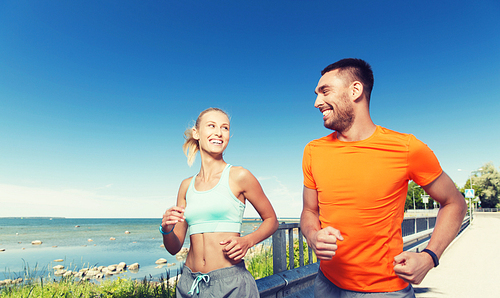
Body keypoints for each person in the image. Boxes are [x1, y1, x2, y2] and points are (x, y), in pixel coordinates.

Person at [300, 58, 467, 297]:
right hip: (326, 285)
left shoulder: (408, 148)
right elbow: (309, 211)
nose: (317, 102)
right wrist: (313, 235)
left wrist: (430, 257)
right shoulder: (312, 151)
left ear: (355, 90)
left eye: (325, 91)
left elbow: (455, 203)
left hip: (386, 291)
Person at [161, 107, 278, 298]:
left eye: (225, 128)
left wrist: (247, 241)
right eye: (211, 126)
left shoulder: (240, 176)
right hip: (189, 284)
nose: (218, 132)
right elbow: (174, 247)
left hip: (231, 283)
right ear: (196, 133)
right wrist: (166, 229)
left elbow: (271, 220)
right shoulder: (186, 186)